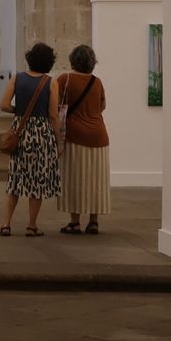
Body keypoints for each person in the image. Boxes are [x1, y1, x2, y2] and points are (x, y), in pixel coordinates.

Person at [0, 42, 62, 236]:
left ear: (30, 58)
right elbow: (53, 115)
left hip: (21, 132)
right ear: (49, 62)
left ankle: (6, 224)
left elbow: (4, 105)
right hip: (42, 134)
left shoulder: (17, 78)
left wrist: (20, 111)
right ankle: (31, 225)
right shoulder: (51, 82)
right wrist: (58, 140)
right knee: (38, 180)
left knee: (15, 179)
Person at [57, 45, 110, 235]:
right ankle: (93, 221)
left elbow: (56, 104)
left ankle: (75, 222)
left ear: (73, 60)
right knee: (96, 180)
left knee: (75, 179)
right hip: (99, 136)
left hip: (75, 135)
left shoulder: (65, 79)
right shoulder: (97, 82)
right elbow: (102, 106)